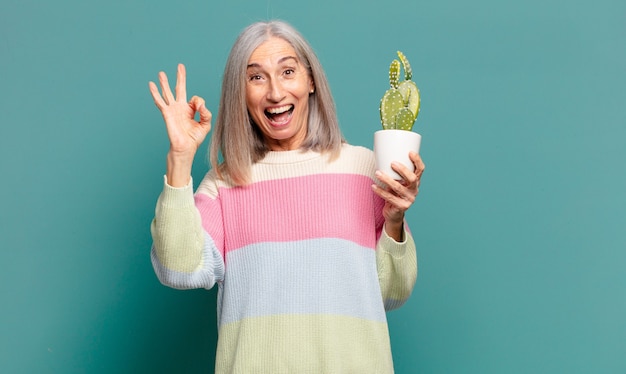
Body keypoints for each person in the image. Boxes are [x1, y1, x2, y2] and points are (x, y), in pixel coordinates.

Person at [148, 20, 425, 374]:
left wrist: (395, 220)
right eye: (256, 77)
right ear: (241, 93)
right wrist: (180, 157)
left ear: (310, 80)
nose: (276, 93)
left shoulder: (364, 169)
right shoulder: (224, 183)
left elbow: (391, 292)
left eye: (288, 71)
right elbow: (177, 268)